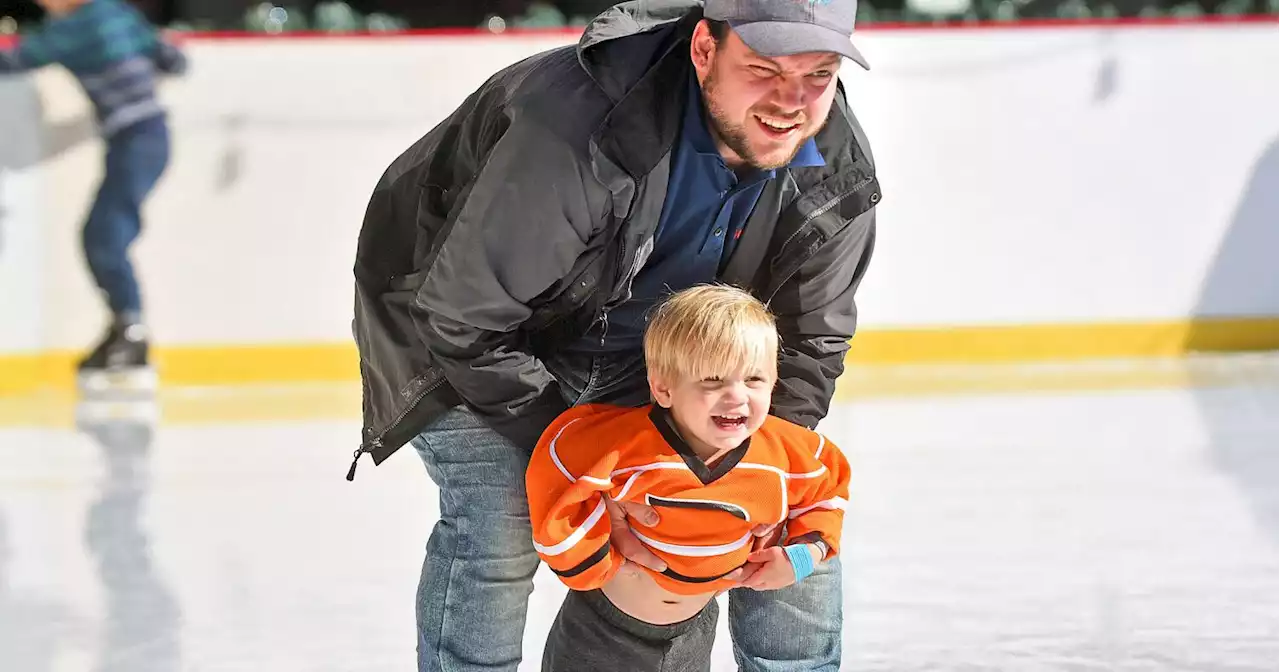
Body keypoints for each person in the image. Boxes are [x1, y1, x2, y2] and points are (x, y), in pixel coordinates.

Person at [349, 0, 881, 669]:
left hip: (661, 358)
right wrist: (586, 460)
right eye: (763, 68)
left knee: (778, 502)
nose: (791, 100)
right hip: (467, 331)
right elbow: (466, 316)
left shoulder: (834, 167)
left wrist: (759, 470)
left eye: (818, 74)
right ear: (704, 51)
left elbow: (809, 342)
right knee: (503, 521)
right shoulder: (576, 132)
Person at [529, 284, 852, 672]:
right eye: (713, 381)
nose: (736, 397)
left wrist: (802, 557)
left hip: (692, 633)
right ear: (664, 388)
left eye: (754, 380)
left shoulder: (784, 453)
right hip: (602, 632)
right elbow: (558, 465)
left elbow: (827, 491)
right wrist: (589, 560)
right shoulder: (626, 445)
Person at [0, 0, 188, 389]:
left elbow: (16, 60)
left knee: (104, 235)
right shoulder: (117, 14)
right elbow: (173, 60)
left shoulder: (74, 28)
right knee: (104, 233)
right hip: (148, 135)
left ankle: (131, 334)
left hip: (135, 138)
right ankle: (127, 328)